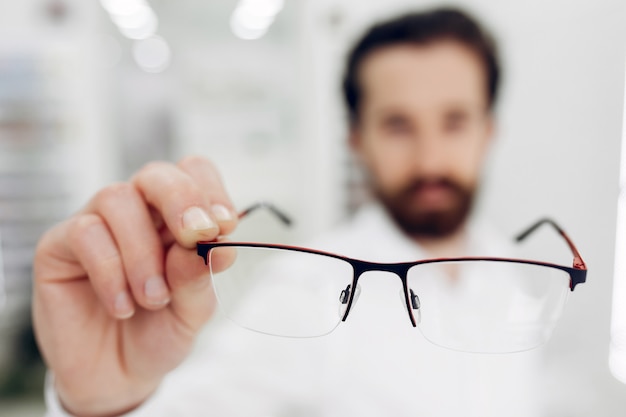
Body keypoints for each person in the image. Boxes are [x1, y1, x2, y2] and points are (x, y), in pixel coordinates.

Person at [34, 7, 566, 417]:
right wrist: (107, 402)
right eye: (398, 125)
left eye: (454, 121)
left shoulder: (523, 272)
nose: (430, 159)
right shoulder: (310, 291)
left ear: (489, 130)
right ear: (357, 140)